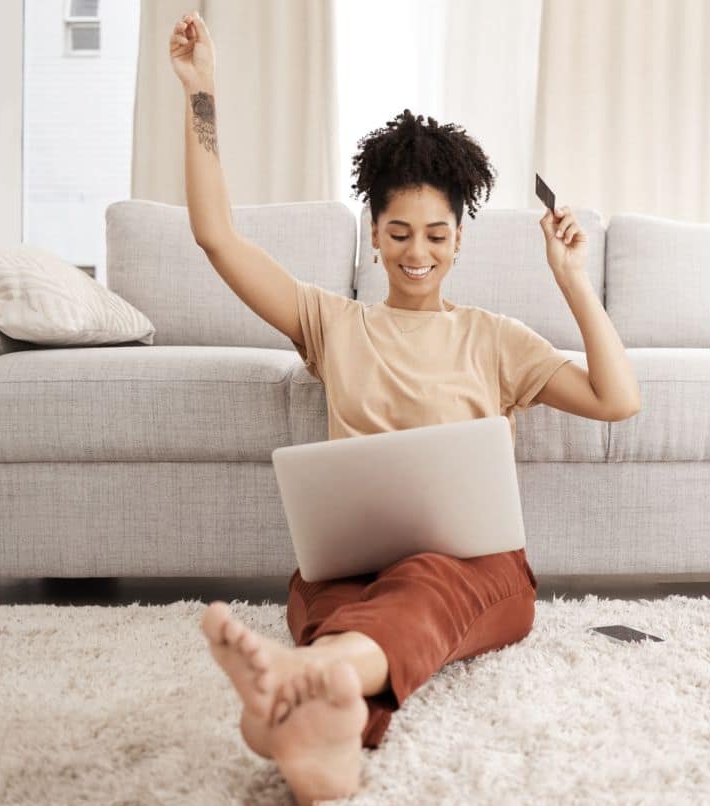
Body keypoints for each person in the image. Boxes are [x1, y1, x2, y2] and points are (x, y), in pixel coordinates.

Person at [169, 10, 640, 804]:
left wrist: (573, 285)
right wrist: (201, 96)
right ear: (375, 236)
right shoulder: (332, 322)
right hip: (346, 571)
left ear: (460, 238)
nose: (417, 254)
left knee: (423, 585)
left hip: (479, 574)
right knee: (337, 608)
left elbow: (616, 399)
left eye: (436, 236)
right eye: (398, 233)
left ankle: (300, 686)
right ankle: (318, 724)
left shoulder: (497, 339)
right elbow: (217, 237)